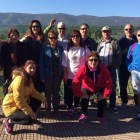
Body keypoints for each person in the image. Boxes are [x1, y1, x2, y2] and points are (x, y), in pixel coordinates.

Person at [2, 60, 48, 135]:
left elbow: (33, 92)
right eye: (30, 68)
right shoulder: (20, 79)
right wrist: (30, 112)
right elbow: (18, 98)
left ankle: (32, 119)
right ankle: (9, 121)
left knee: (37, 101)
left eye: (34, 68)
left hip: (19, 106)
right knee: (28, 118)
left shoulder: (28, 78)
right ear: (25, 68)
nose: (33, 70)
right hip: (11, 107)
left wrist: (43, 98)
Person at [72, 51, 112, 124]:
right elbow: (76, 80)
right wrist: (80, 94)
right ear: (88, 60)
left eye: (95, 60)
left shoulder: (102, 67)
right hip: (87, 86)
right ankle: (84, 114)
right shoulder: (84, 67)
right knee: (84, 97)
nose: (93, 62)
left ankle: (100, 116)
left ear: (98, 61)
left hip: (99, 86)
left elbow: (108, 80)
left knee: (102, 98)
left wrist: (105, 94)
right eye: (91, 60)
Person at [62, 30, 90, 119]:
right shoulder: (67, 49)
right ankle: (69, 108)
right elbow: (64, 63)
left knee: (78, 93)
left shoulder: (85, 49)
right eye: (73, 36)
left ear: (80, 37)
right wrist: (65, 74)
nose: (75, 38)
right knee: (69, 93)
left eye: (77, 36)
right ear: (71, 38)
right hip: (70, 76)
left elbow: (88, 62)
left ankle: (75, 108)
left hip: (81, 77)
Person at [44, 20, 69, 106]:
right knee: (51, 90)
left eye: (63, 28)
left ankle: (65, 103)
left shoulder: (69, 39)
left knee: (62, 88)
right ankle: (51, 106)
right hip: (53, 69)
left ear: (65, 29)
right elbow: (43, 35)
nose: (61, 30)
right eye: (60, 28)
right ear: (57, 29)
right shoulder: (54, 38)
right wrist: (49, 26)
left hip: (66, 67)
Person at [97, 26, 121, 113]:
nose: (106, 33)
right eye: (104, 31)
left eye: (107, 31)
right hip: (101, 69)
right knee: (101, 87)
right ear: (102, 33)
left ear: (110, 32)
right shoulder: (99, 42)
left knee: (112, 87)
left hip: (110, 69)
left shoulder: (114, 43)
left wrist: (115, 67)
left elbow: (119, 56)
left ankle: (113, 105)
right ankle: (103, 103)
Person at [39, 30, 63, 118]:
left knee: (56, 92)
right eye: (51, 38)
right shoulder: (44, 48)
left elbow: (63, 62)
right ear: (48, 38)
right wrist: (42, 76)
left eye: (55, 38)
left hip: (58, 74)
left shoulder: (60, 48)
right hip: (48, 74)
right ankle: (48, 109)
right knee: (48, 93)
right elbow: (41, 63)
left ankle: (56, 108)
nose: (53, 40)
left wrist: (62, 75)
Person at [21, 20, 46, 92]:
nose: (36, 28)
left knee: (37, 87)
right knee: (28, 86)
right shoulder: (26, 38)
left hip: (38, 67)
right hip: (28, 67)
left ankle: (37, 103)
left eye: (37, 26)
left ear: (40, 28)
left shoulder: (43, 39)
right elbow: (17, 42)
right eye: (34, 26)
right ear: (31, 27)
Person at [118, 24, 138, 110]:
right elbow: (116, 53)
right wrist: (122, 52)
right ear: (124, 31)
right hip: (123, 66)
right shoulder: (120, 41)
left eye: (130, 29)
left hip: (135, 67)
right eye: (126, 29)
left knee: (137, 86)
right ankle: (124, 101)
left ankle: (137, 103)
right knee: (123, 85)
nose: (128, 31)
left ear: (133, 30)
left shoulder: (137, 39)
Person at [125, 30, 140, 121]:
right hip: (136, 73)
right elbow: (128, 59)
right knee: (138, 93)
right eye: (139, 35)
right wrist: (131, 70)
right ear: (137, 36)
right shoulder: (133, 47)